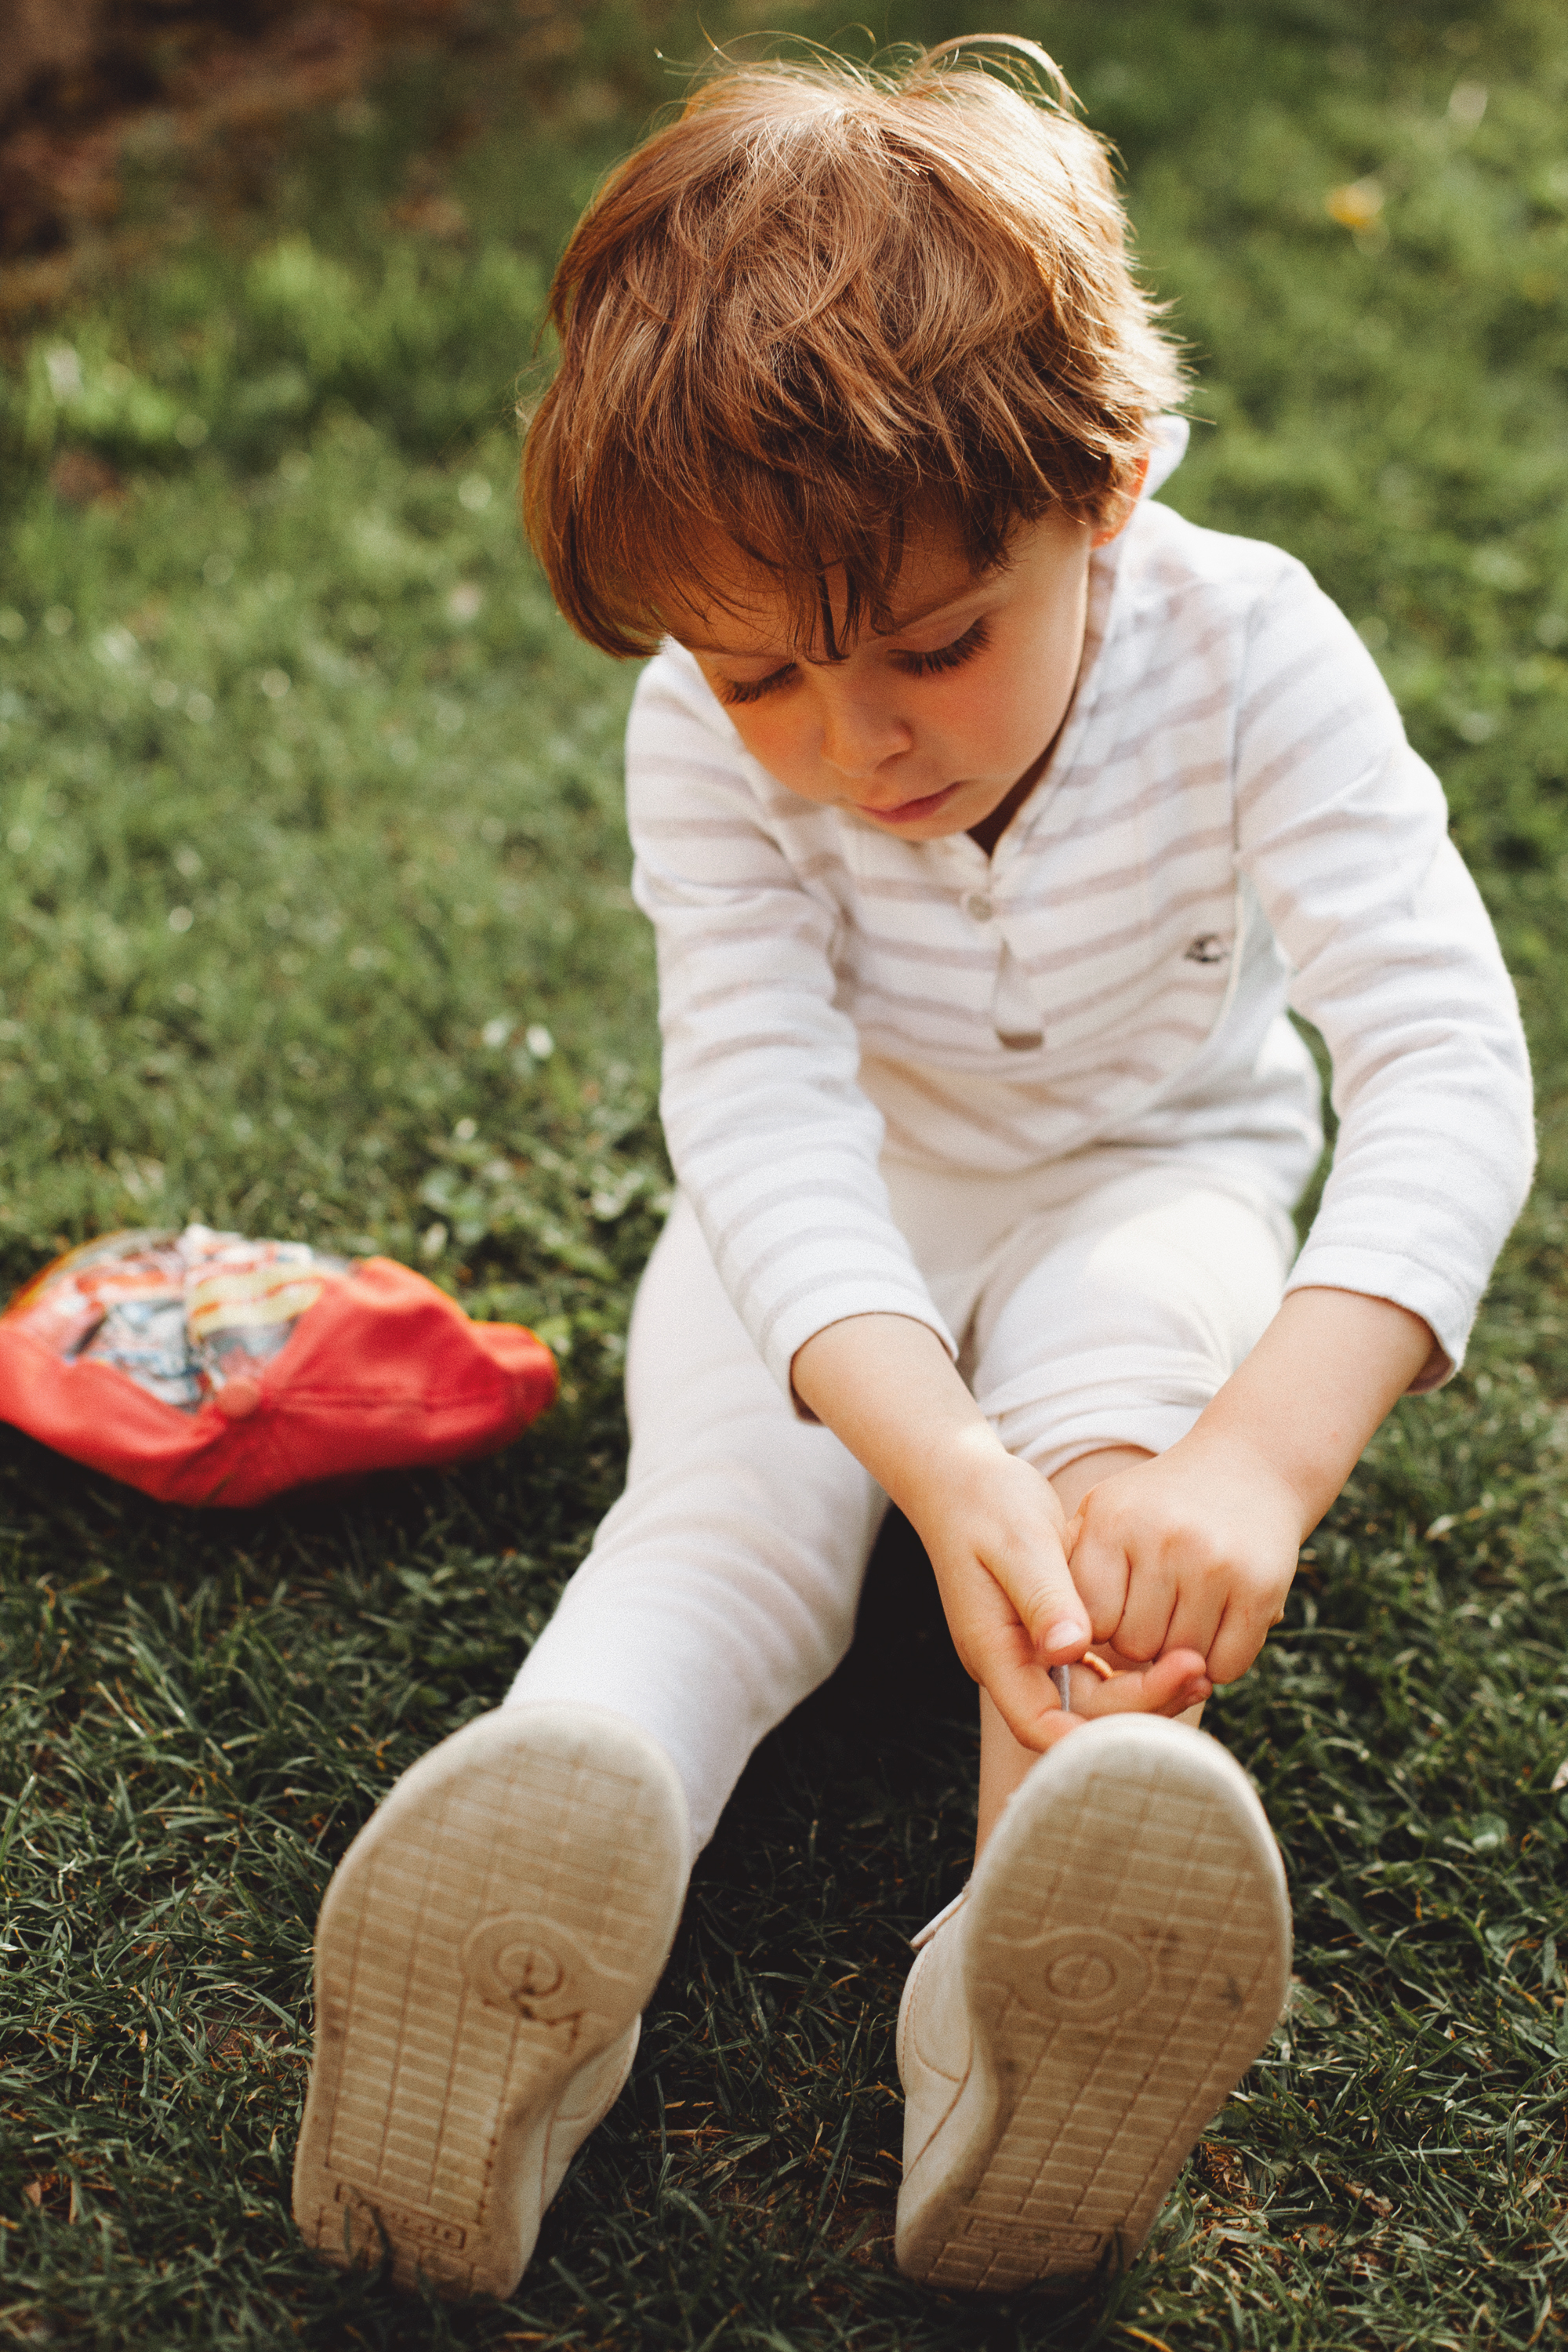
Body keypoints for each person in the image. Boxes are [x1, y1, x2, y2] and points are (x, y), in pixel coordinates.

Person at [291, 40, 1534, 2302]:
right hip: (837, 1225)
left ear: (1111, 487)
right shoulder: (706, 720)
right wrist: (915, 1439)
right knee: (723, 1533)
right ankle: (544, 1882)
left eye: (934, 648)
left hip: (1150, 1174)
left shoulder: (1260, 657)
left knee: (1103, 1523)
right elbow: (759, 1110)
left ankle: (1011, 2003)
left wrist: (1249, 1465)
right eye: (765, 677)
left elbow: (1449, 1061)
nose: (850, 748)